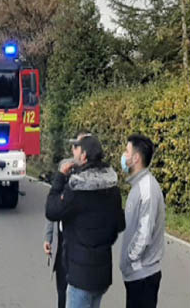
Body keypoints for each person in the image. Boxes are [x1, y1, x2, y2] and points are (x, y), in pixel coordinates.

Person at [45, 135, 125, 308]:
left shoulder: (78, 188)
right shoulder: (112, 188)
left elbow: (51, 211)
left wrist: (59, 178)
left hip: (80, 275)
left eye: (77, 149)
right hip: (102, 273)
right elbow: (119, 224)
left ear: (84, 156)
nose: (74, 154)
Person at [43, 131, 92, 308]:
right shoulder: (65, 168)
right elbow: (53, 205)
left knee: (79, 293)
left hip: (81, 243)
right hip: (63, 240)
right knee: (62, 289)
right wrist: (48, 237)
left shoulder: (94, 176)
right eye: (74, 145)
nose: (74, 149)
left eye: (77, 146)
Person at [119, 134, 165, 308]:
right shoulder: (138, 186)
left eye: (127, 151)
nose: (124, 156)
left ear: (136, 158)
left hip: (143, 276)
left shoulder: (147, 189)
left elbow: (143, 235)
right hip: (136, 275)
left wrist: (129, 260)